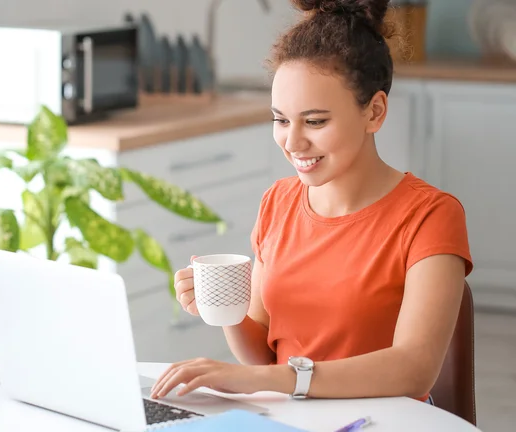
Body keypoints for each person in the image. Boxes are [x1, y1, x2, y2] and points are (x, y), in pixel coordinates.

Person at [149, 0, 473, 404]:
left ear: (374, 112)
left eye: (315, 121)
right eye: (281, 120)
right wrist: (227, 310)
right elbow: (263, 357)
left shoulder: (431, 215)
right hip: (294, 418)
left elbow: (414, 368)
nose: (293, 141)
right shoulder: (278, 202)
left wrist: (271, 379)